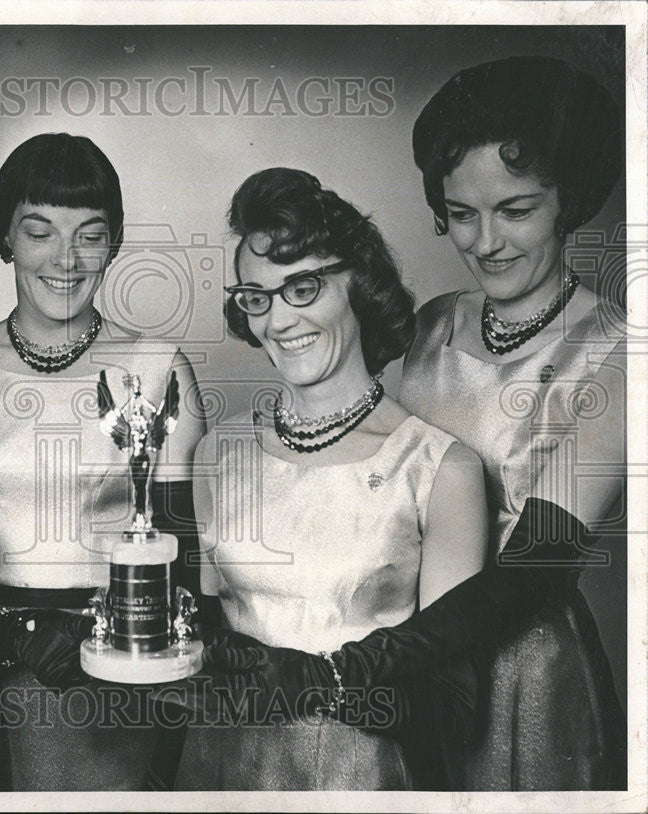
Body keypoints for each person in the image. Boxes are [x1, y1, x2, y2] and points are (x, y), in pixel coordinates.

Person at [167, 167, 488, 790]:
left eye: (304, 287)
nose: (278, 321)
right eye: (257, 297)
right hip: (216, 773)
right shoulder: (216, 454)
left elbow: (452, 702)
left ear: (358, 285)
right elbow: (196, 636)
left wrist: (316, 684)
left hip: (359, 779)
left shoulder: (439, 469)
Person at [0, 132, 207, 790]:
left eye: (90, 234)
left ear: (115, 243)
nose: (66, 259)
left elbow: (186, 569)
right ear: (4, 236)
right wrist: (3, 636)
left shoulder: (159, 369)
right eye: (39, 230)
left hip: (114, 676)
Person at [400, 55, 626, 790]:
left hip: (529, 681)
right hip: (408, 665)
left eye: (516, 210)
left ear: (572, 200)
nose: (486, 242)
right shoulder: (429, 325)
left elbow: (537, 564)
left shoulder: (620, 350)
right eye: (462, 215)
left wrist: (381, 659)